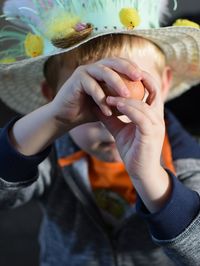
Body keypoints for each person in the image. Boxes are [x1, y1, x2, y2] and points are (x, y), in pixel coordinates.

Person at [0, 0, 200, 265]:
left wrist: (152, 177)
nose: (110, 121)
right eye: (89, 102)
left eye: (128, 98)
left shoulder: (189, 159)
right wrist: (54, 119)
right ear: (52, 97)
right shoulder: (51, 155)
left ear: (163, 83)